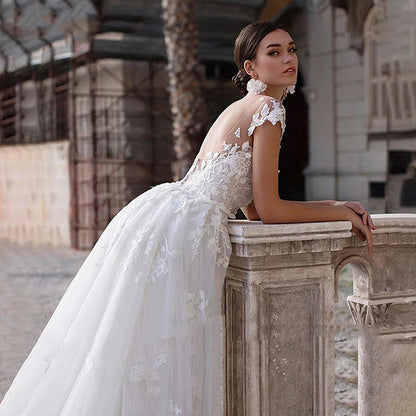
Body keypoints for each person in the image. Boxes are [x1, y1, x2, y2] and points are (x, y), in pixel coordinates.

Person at [0, 21, 374, 416]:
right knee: (164, 342)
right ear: (251, 67)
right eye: (274, 52)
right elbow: (269, 209)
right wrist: (336, 212)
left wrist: (330, 205)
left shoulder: (239, 107)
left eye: (291, 49)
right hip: (186, 229)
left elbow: (250, 203)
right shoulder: (269, 109)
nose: (288, 59)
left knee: (129, 338)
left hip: (162, 213)